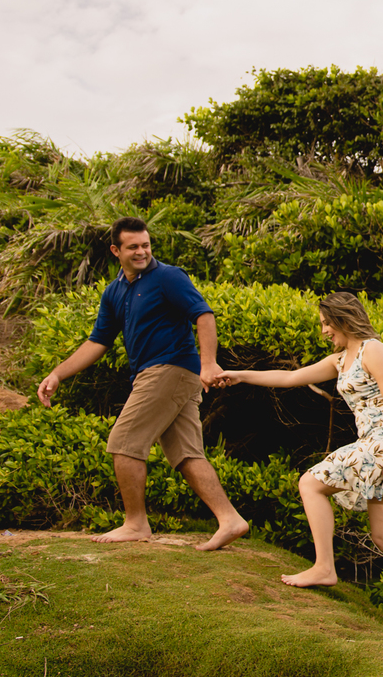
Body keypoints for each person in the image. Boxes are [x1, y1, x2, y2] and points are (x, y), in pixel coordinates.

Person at [214, 291, 383, 634]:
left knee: (310, 483)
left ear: (342, 318)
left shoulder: (373, 349)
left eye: (327, 323)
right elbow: (289, 378)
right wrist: (239, 374)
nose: (324, 331)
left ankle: (324, 566)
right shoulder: (341, 360)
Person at [37, 216, 249, 551]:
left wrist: (208, 364)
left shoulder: (168, 277)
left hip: (171, 368)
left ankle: (136, 524)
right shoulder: (114, 292)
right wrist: (57, 373)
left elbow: (203, 315)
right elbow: (98, 341)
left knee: (124, 441)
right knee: (185, 453)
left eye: (145, 245)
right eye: (133, 247)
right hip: (157, 374)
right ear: (115, 250)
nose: (141, 252)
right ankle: (230, 519)